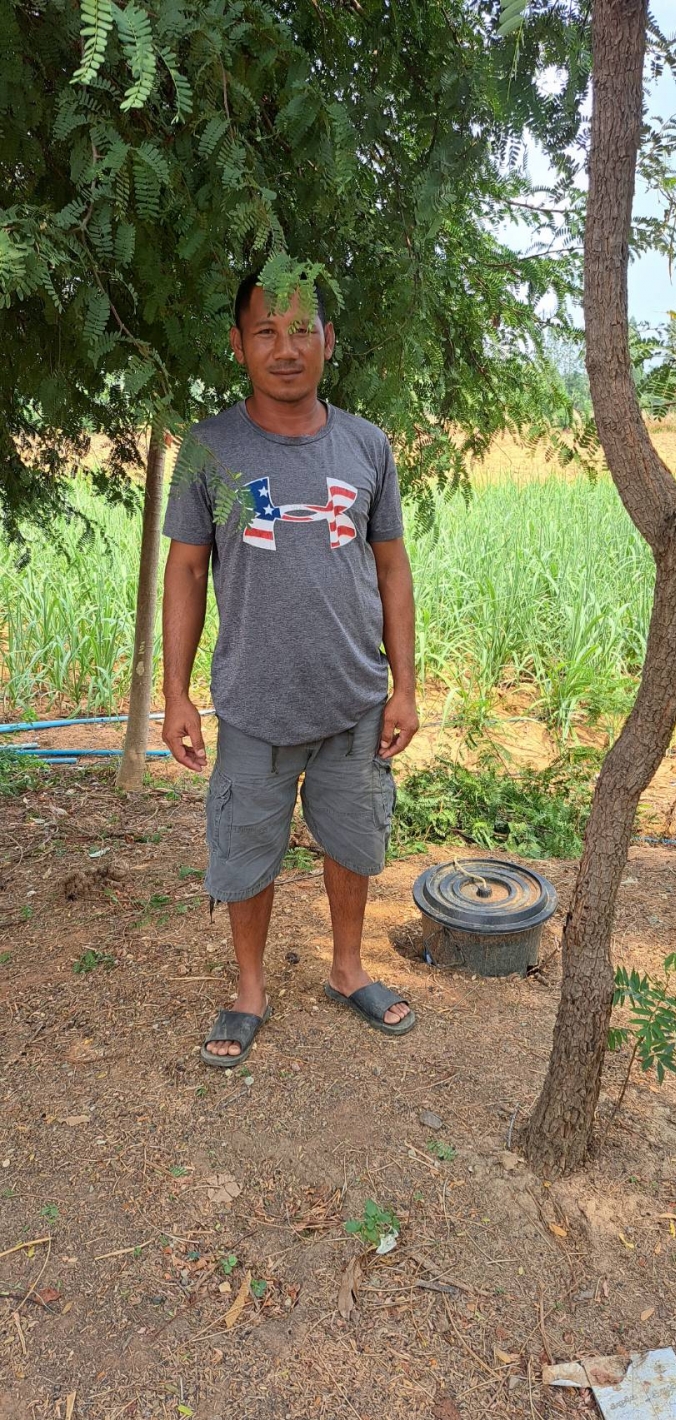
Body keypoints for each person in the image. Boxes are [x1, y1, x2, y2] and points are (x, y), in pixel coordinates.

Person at [161, 272, 419, 1066]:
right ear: (237, 344)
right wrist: (176, 695)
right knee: (244, 852)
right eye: (266, 331)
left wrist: (405, 687)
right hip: (253, 702)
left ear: (328, 341)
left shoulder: (367, 445)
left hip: (354, 698)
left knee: (351, 840)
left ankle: (348, 969)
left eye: (302, 329)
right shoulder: (209, 448)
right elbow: (186, 571)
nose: (285, 348)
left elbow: (392, 567)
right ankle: (249, 991)